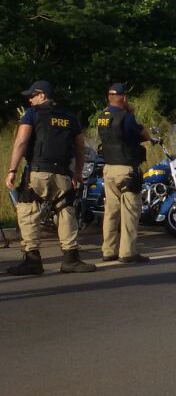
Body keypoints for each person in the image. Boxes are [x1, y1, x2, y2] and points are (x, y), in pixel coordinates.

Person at [5, 80, 93, 275]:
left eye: (33, 95)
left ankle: (32, 260)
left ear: (42, 95)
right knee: (65, 212)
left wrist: (12, 170)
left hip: (39, 171)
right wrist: (78, 173)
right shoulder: (70, 117)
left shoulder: (33, 114)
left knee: (28, 211)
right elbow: (80, 148)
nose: (30, 99)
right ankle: (71, 258)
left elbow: (21, 142)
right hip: (63, 173)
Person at [97, 83, 154, 263]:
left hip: (109, 168)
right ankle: (127, 252)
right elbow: (143, 135)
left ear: (109, 97)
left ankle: (108, 250)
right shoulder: (126, 117)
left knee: (111, 211)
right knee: (130, 211)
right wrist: (131, 113)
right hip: (126, 169)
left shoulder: (102, 117)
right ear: (124, 98)